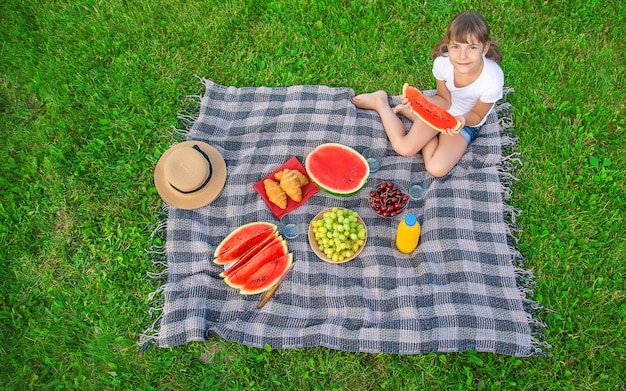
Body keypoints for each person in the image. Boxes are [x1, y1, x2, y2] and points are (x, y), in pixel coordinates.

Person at [351, 11, 504, 177]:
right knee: (404, 148)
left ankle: (418, 120)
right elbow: (443, 99)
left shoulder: (492, 80)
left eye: (472, 47)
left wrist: (462, 120)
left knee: (436, 168)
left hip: (466, 123)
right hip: (442, 109)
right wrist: (421, 102)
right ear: (448, 44)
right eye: (455, 46)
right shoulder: (443, 64)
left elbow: (478, 115)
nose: (462, 56)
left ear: (485, 48)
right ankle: (380, 102)